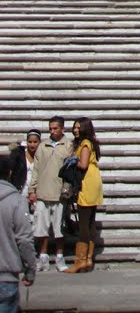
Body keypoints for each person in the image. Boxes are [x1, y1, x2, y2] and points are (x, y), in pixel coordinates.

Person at [28, 117, 71, 273]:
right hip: (42, 193)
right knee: (41, 229)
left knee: (59, 229)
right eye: (50, 128)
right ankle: (43, 257)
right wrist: (32, 190)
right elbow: (36, 169)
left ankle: (60, 257)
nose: (52, 131)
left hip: (60, 194)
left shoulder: (68, 146)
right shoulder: (42, 146)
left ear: (62, 129)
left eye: (55, 128)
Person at [64, 117, 102, 274]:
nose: (75, 130)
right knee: (90, 221)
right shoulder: (90, 142)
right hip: (93, 181)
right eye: (74, 127)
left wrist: (72, 160)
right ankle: (88, 260)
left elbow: (83, 164)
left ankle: (81, 260)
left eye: (78, 127)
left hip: (86, 182)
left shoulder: (85, 144)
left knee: (84, 222)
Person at [0, 154, 36, 313]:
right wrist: (30, 270)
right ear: (9, 173)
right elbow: (25, 241)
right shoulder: (16, 201)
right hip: (6, 278)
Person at [8, 132, 41, 213]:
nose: (32, 145)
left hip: (35, 190)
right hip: (21, 189)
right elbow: (10, 171)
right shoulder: (18, 154)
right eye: (30, 142)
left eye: (35, 142)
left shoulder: (41, 156)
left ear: (39, 142)